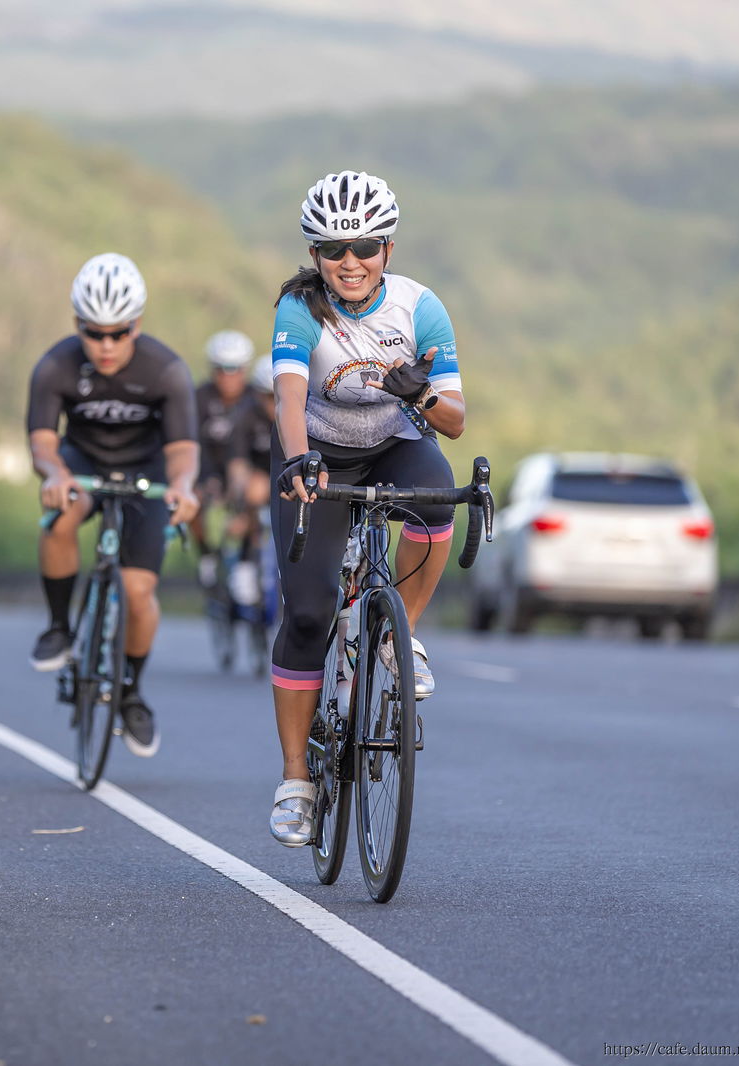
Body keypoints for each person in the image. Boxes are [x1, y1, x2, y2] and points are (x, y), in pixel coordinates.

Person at [264, 170, 467, 846]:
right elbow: (289, 402)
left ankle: (395, 633)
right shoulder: (300, 310)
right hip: (315, 455)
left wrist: (420, 396)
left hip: (392, 447)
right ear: (316, 255)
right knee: (310, 611)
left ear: (388, 247)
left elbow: (457, 421)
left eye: (365, 247)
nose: (349, 262)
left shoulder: (419, 308)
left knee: (438, 498)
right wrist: (297, 462)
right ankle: (297, 781)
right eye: (332, 250)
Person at [25, 252, 200, 757]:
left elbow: (184, 451)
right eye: (92, 332)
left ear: (136, 325)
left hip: (146, 471)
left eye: (117, 333)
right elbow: (42, 441)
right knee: (60, 518)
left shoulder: (165, 369)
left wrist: (184, 486)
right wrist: (55, 474)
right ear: (77, 324)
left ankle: (130, 692)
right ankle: (59, 627)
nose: (105, 345)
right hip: (81, 463)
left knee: (138, 592)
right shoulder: (55, 365)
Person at [191, 329, 256, 586]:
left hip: (245, 468)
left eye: (235, 369)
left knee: (255, 494)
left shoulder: (255, 397)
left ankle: (246, 560)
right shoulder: (200, 398)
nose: (228, 376)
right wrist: (205, 479)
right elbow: (192, 442)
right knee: (192, 502)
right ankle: (205, 553)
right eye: (222, 369)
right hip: (208, 468)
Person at [223, 354, 277, 607]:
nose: (274, 403)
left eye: (278, 395)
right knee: (254, 489)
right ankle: (246, 559)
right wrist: (239, 502)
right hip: (259, 476)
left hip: (292, 475)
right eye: (268, 396)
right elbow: (237, 463)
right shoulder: (245, 415)